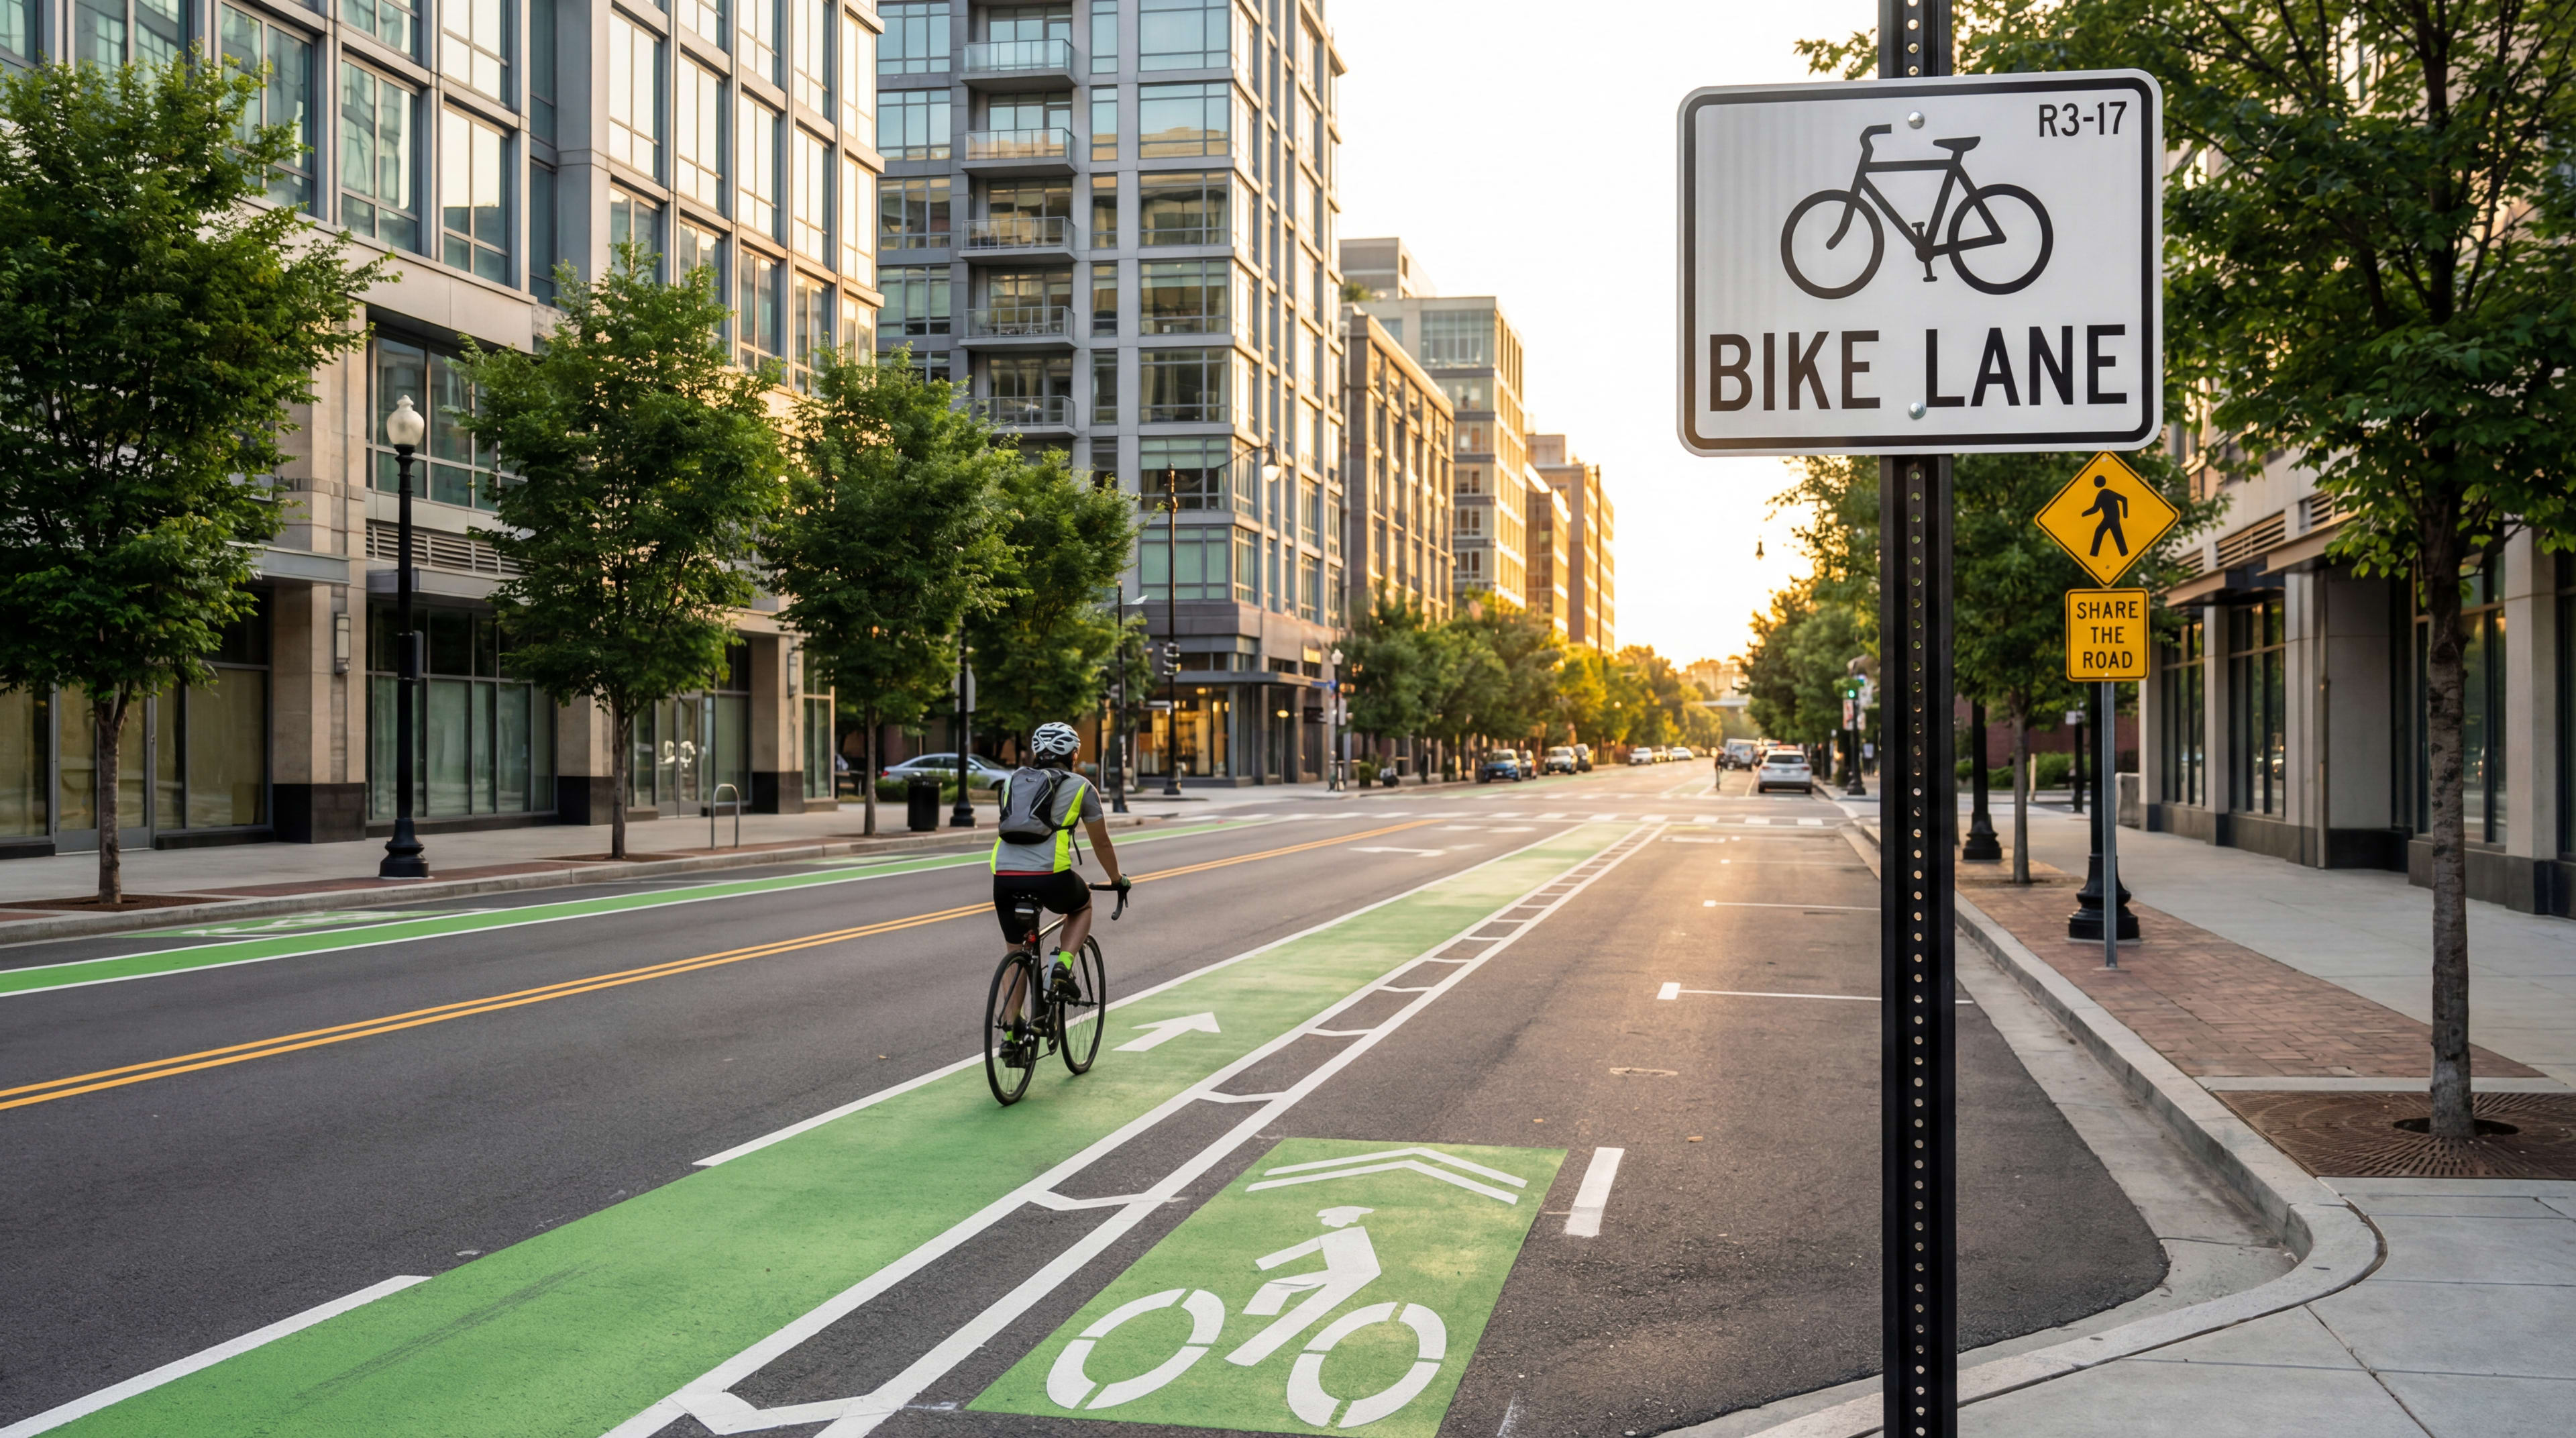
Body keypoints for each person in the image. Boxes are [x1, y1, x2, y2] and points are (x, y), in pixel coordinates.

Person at [991, 722, 1128, 1007]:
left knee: (1015, 950)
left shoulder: (1012, 781)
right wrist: (1117, 879)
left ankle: (1012, 1029)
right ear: (1073, 754)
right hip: (1050, 875)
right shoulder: (1082, 787)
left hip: (1003, 876)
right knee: (1082, 905)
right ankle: (1063, 966)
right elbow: (1101, 843)